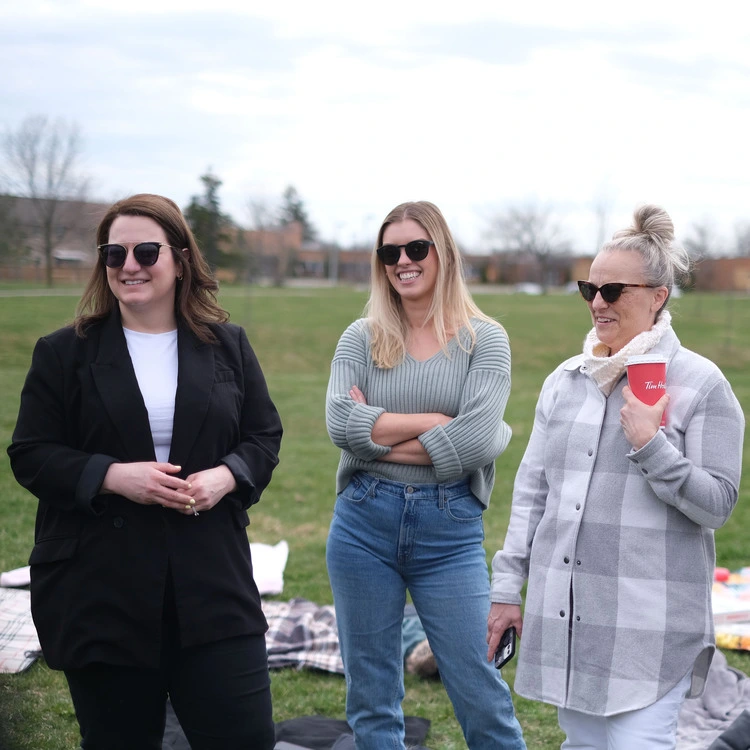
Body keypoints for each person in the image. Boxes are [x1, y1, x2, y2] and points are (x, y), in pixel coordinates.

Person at [8, 194, 283, 750]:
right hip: (103, 590)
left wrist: (225, 476)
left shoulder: (226, 345)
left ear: (180, 260)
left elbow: (263, 436)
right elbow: (31, 453)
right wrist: (112, 476)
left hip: (212, 584)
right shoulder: (64, 353)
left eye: (146, 251)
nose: (129, 265)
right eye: (114, 254)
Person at [488, 204, 745, 750]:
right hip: (571, 622)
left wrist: (653, 446)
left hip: (650, 634)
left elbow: (718, 504)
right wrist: (507, 589)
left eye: (613, 291)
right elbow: (532, 494)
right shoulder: (565, 382)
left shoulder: (702, 385)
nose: (597, 304)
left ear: (658, 296)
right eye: (589, 289)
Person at [325, 200, 526, 749]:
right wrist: (438, 424)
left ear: (444, 254)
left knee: (480, 689)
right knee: (371, 697)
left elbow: (478, 439)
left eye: (417, 248)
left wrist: (379, 435)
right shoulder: (359, 337)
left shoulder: (485, 340)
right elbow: (341, 424)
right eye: (391, 251)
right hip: (362, 524)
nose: (403, 260)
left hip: (450, 531)